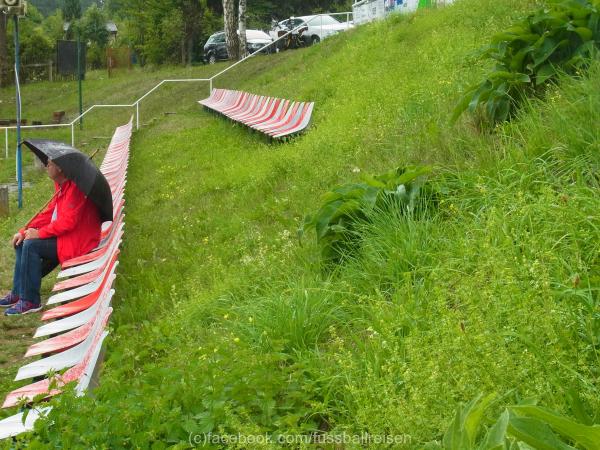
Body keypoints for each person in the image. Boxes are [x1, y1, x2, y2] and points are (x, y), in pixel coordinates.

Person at [0, 159, 101, 316]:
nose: (46, 166)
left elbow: (67, 222)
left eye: (49, 163)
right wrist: (25, 230)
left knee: (31, 246)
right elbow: (50, 213)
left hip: (78, 241)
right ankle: (19, 291)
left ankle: (31, 300)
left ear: (60, 168)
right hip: (66, 237)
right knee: (22, 242)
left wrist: (39, 233)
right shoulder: (61, 186)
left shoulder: (75, 188)